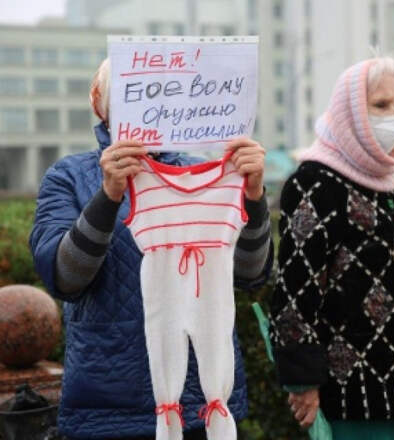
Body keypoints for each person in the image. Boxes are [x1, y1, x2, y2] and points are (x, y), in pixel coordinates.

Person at [29, 58, 273, 439]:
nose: (151, 106)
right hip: (107, 406)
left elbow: (249, 274)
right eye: (133, 95)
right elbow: (63, 277)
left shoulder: (204, 172)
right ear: (102, 106)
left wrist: (253, 197)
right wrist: (108, 196)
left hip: (201, 403)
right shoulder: (68, 177)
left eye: (162, 94)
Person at [269, 57, 394, 440]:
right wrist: (303, 382)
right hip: (349, 396)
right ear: (350, 111)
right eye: (379, 104)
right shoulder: (316, 181)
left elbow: (389, 282)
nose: (392, 115)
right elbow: (295, 290)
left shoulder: (386, 183)